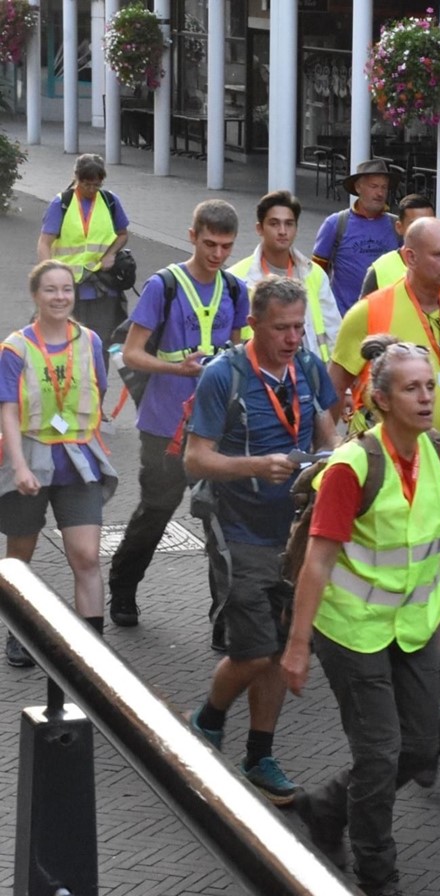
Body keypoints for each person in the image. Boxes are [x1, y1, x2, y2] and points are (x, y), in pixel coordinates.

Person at [282, 335, 440, 896]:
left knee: (420, 748)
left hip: (415, 626)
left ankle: (326, 805)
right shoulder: (352, 467)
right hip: (350, 631)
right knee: (379, 756)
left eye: (430, 386)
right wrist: (297, 646)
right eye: (412, 389)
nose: (426, 398)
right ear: (382, 399)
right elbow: (318, 561)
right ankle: (379, 878)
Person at [184, 276, 338, 804]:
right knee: (254, 652)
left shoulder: (310, 367)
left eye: (299, 327)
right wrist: (255, 465)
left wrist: (329, 464)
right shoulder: (222, 376)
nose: (294, 338)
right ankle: (205, 723)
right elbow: (195, 457)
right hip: (238, 528)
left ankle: (260, 753)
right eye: (282, 329)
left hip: (296, 534)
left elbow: (327, 430)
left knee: (278, 647)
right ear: (254, 324)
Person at [107, 200, 250, 629]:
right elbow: (131, 352)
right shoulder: (163, 285)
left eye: (226, 246)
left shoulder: (235, 289)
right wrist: (178, 368)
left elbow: (240, 348)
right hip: (165, 425)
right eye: (210, 243)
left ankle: (223, 618)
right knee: (156, 512)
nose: (218, 254)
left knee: (220, 523)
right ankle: (123, 590)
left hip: (215, 427)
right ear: (192, 236)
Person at [0, 262, 117, 667]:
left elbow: (98, 390)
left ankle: (93, 652)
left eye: (66, 289)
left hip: (78, 459)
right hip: (32, 457)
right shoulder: (15, 349)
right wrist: (19, 466)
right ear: (36, 295)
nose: (60, 297)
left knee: (86, 556)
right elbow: (9, 412)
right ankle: (19, 633)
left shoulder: (91, 342)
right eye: (51, 290)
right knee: (20, 555)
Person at [330, 216, 440, 444]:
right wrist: (327, 444)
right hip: (379, 451)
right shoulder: (370, 310)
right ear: (411, 257)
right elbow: (334, 386)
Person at [227, 189, 340, 363]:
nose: (282, 231)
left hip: (308, 376)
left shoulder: (314, 273)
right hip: (256, 377)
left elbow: (334, 332)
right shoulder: (236, 278)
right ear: (259, 228)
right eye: (274, 224)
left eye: (289, 224)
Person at [36, 153, 131, 345]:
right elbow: (44, 243)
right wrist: (49, 275)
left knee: (102, 344)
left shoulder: (110, 201)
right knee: (67, 344)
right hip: (69, 290)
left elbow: (123, 234)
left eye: (97, 185)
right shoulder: (61, 203)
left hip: (103, 289)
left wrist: (110, 255)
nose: (92, 189)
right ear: (76, 178)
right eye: (87, 184)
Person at [313, 158, 401, 313]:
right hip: (343, 318)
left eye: (384, 187)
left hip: (387, 319)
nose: (380, 193)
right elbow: (315, 275)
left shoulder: (397, 226)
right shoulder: (336, 224)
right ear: (358, 187)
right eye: (374, 186)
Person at [359, 194, 440, 298]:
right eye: (415, 225)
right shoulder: (380, 270)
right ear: (399, 227)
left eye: (430, 224)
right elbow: (363, 313)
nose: (424, 232)